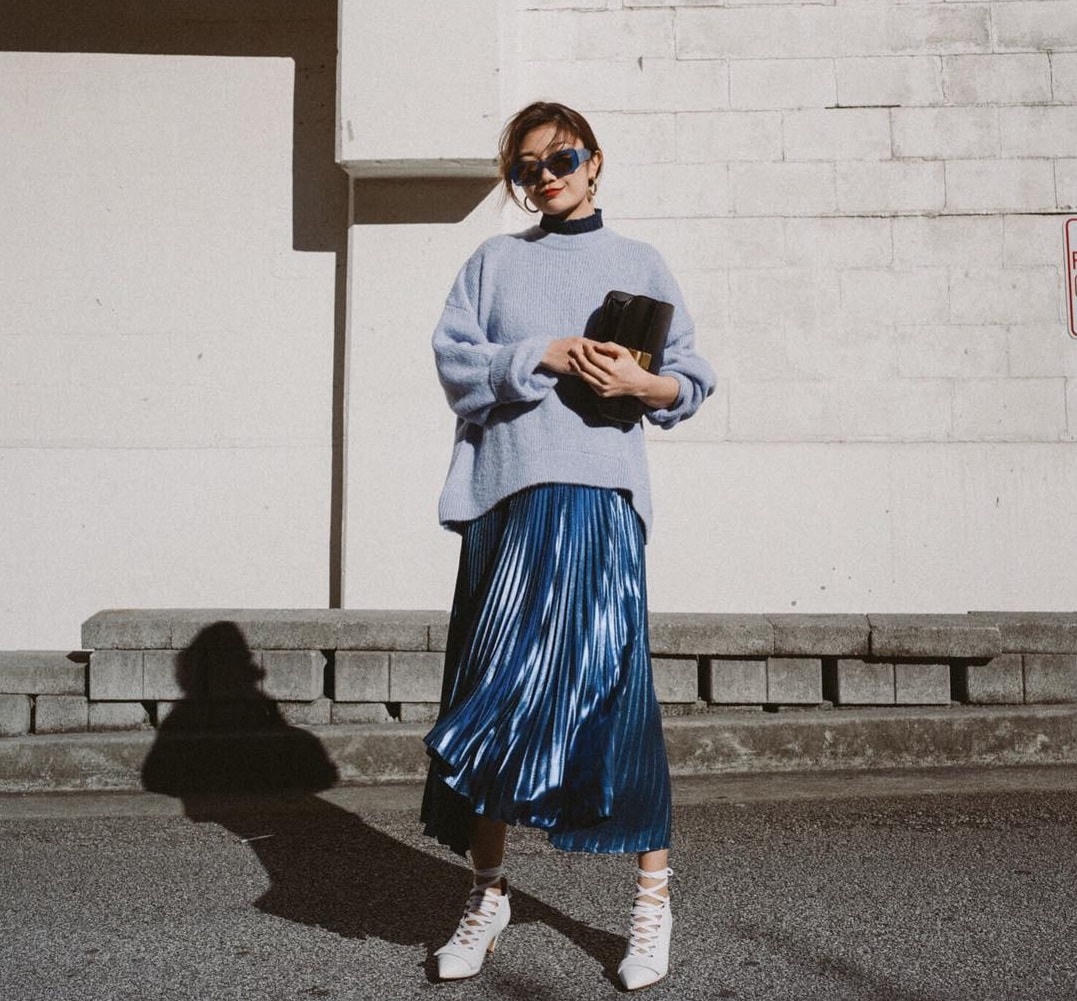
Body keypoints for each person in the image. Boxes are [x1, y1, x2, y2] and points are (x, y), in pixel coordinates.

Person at [418, 100, 716, 991]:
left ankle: (651, 902)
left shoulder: (638, 261)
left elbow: (691, 379)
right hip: (506, 503)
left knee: (616, 698)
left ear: (594, 161)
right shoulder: (493, 262)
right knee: (491, 698)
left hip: (598, 504)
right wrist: (538, 355)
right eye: (526, 168)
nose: (545, 177)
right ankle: (486, 894)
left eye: (561, 159)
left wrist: (639, 381)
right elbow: (454, 363)